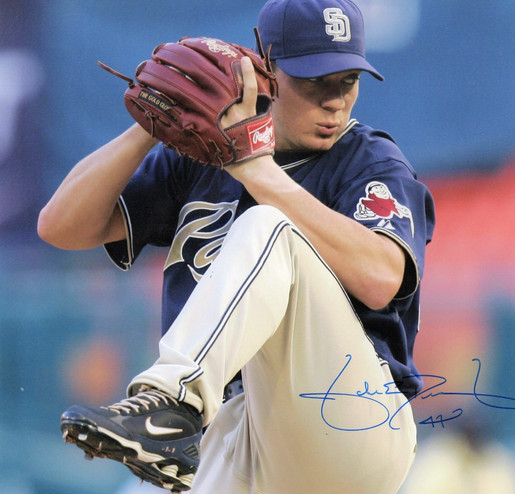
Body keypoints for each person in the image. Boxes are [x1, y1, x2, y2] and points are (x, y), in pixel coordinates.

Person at [38, 0, 435, 492]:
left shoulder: (369, 161)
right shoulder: (198, 158)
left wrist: (256, 171)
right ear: (264, 67)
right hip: (220, 439)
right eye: (315, 80)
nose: (335, 100)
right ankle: (172, 416)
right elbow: (61, 226)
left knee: (269, 225)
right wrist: (151, 123)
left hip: (343, 422)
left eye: (347, 80)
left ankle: (170, 402)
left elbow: (381, 279)